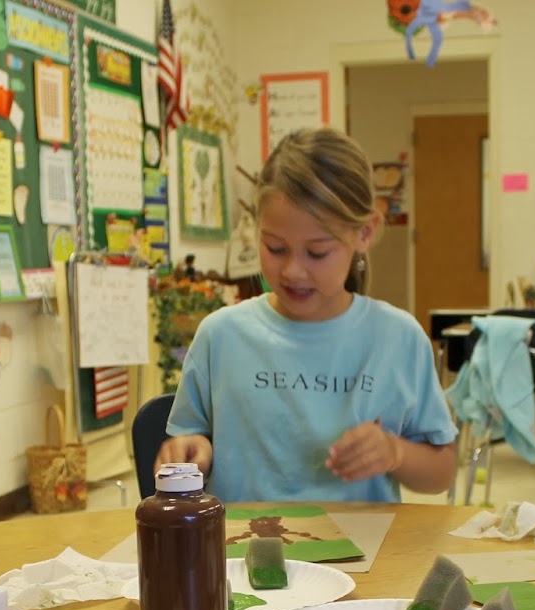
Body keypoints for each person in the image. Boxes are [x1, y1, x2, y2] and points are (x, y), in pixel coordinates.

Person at [158, 128, 458, 502]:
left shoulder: (398, 338)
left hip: (359, 555)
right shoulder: (221, 335)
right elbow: (188, 439)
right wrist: (189, 451)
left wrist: (394, 452)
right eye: (275, 247)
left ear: (364, 232)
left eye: (317, 252)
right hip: (243, 553)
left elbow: (441, 471)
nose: (293, 271)